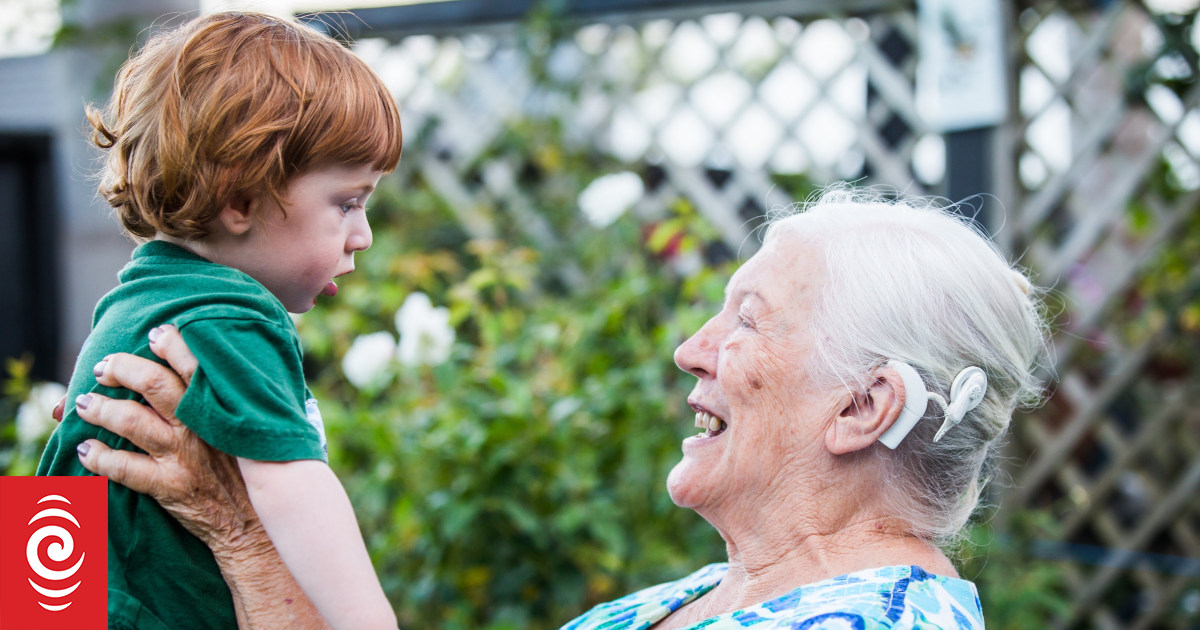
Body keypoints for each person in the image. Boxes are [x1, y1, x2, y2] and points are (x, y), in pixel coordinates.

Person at [67, 189, 1047, 628]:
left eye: (746, 320)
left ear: (864, 407)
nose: (691, 348)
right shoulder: (702, 599)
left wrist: (243, 533)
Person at [38, 11, 402, 630]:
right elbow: (291, 489)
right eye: (346, 203)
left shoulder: (137, 299)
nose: (362, 235)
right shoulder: (230, 317)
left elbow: (54, 491)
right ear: (241, 201)